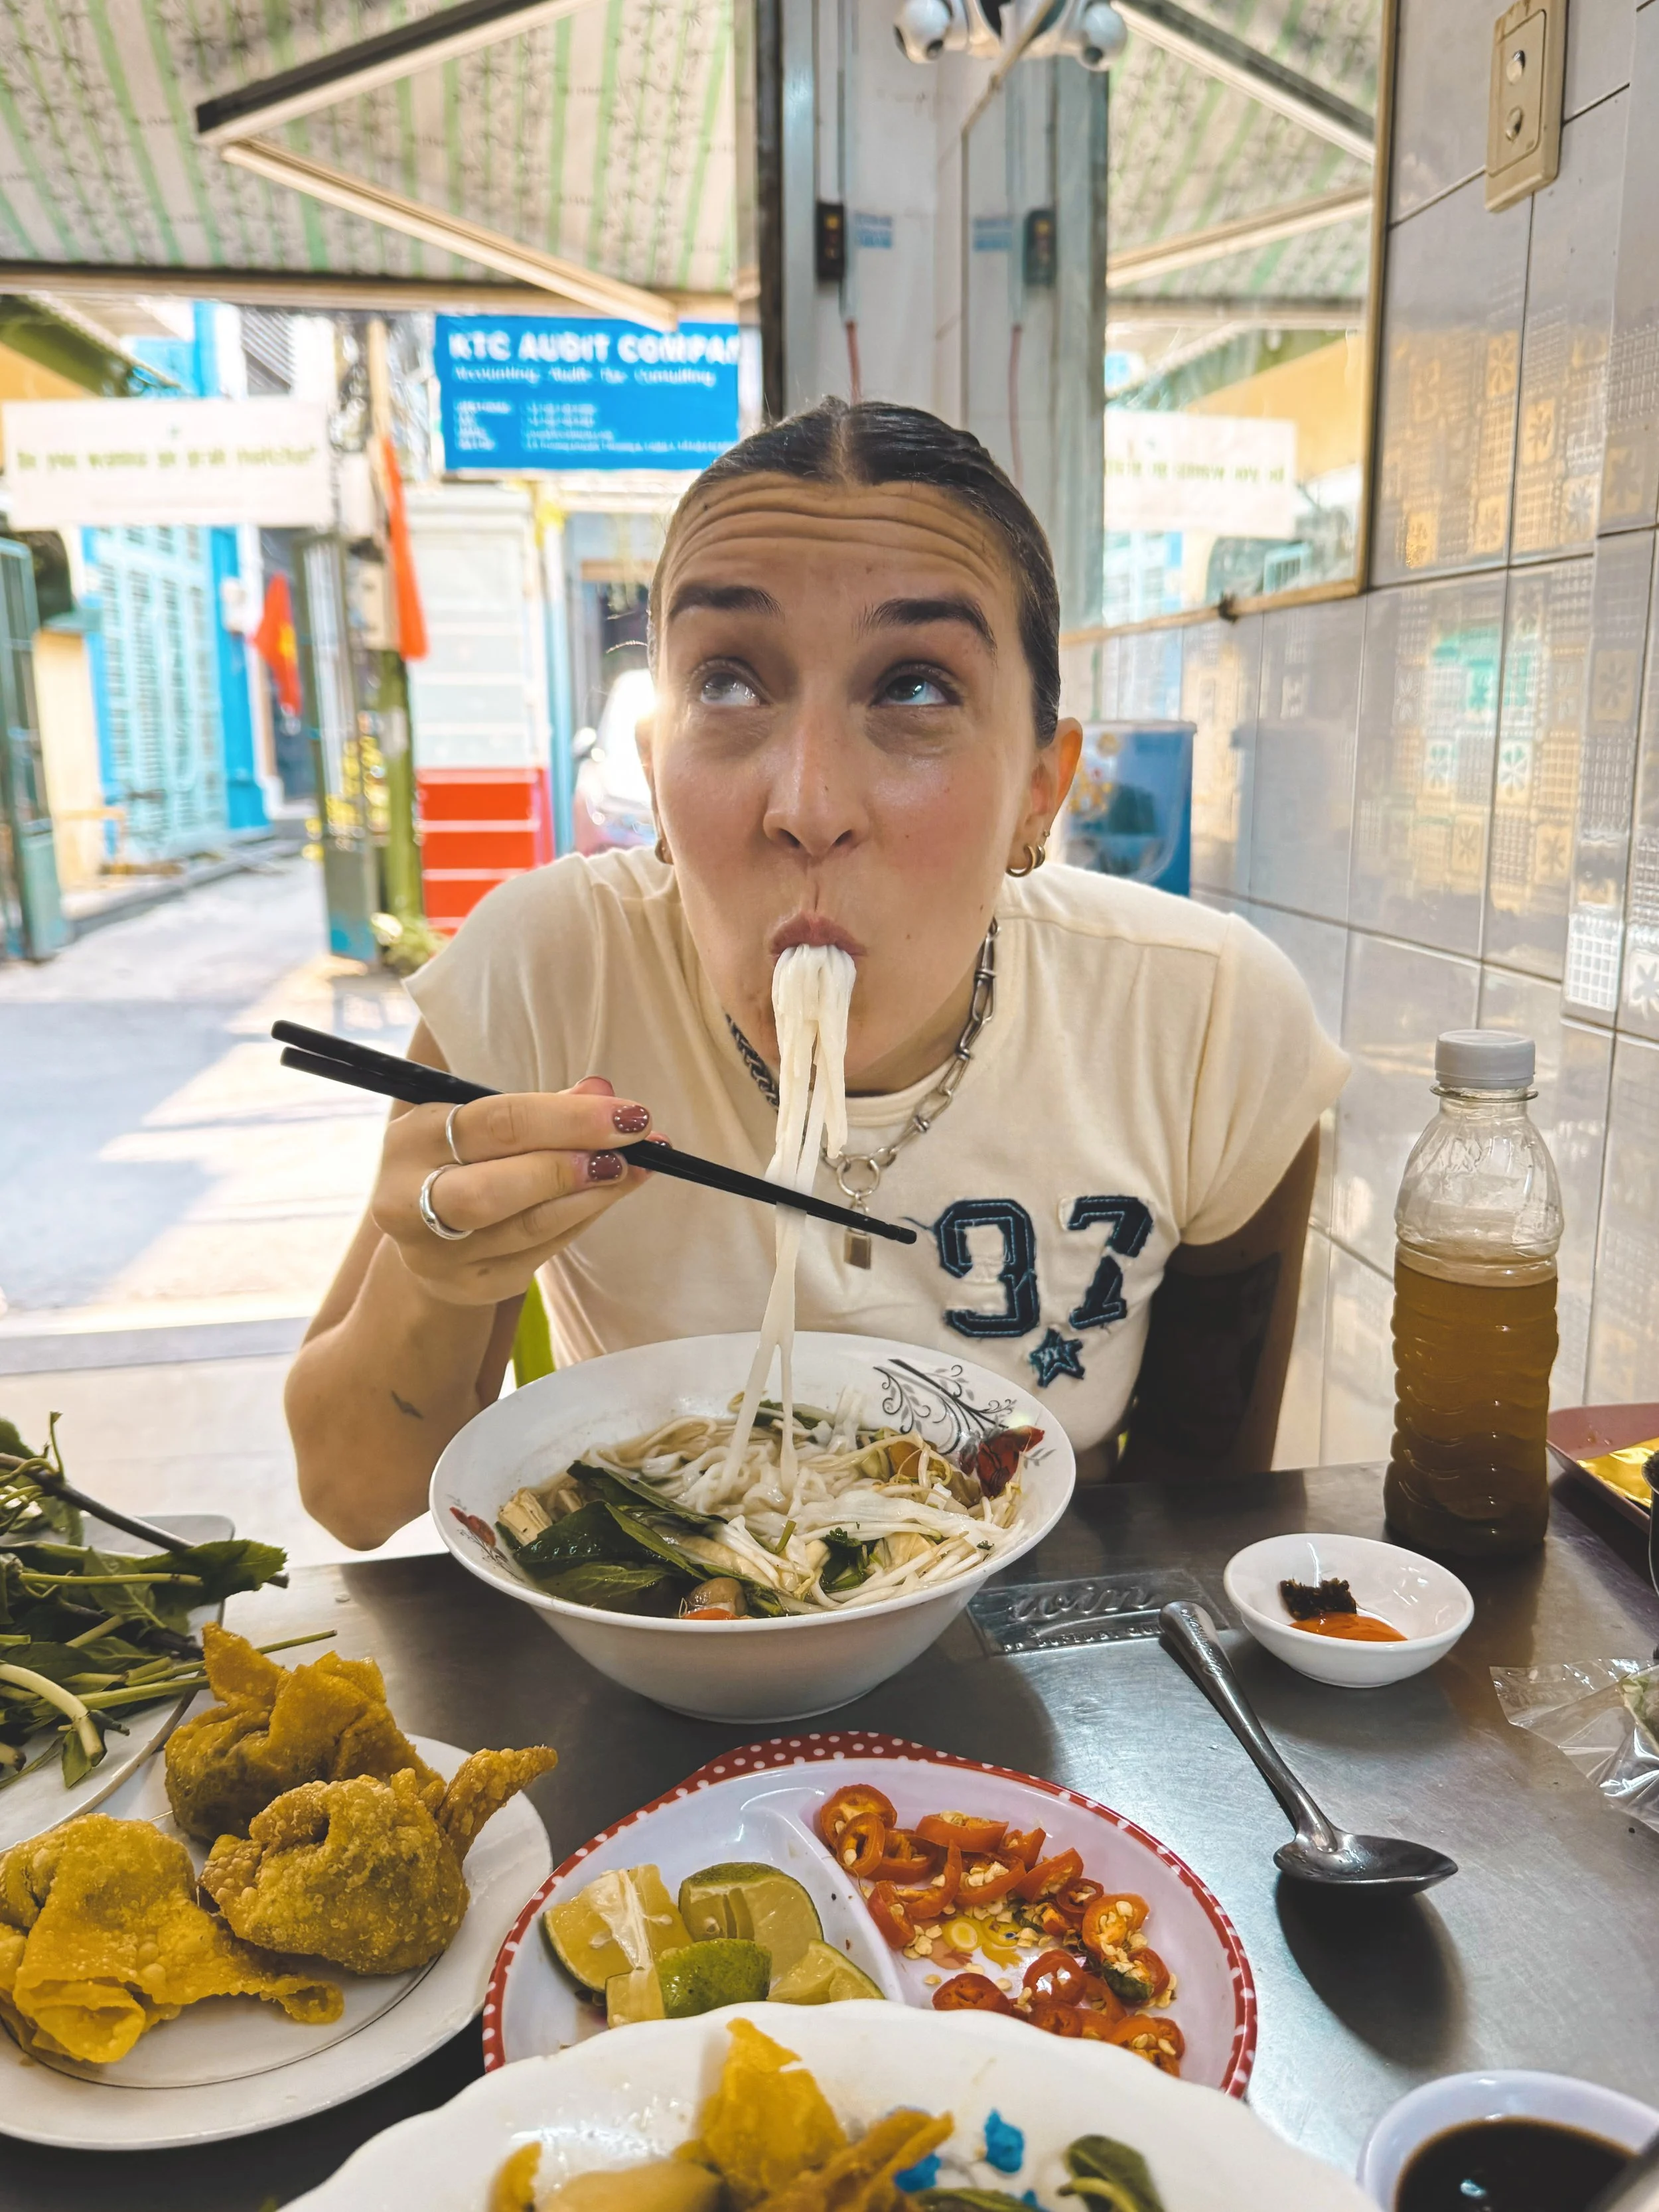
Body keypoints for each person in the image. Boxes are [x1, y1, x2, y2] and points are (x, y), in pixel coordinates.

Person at [289, 398, 1346, 1550]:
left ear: (1041, 789)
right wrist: (438, 1281)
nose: (807, 807)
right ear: (654, 766)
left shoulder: (1202, 1021)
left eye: (915, 689)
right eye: (730, 683)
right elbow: (352, 1496)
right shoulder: (549, 971)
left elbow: (1201, 1522)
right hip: (665, 1647)